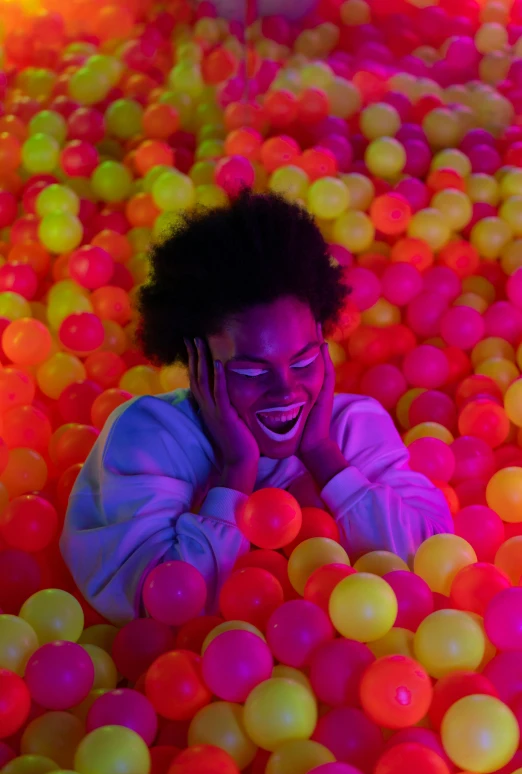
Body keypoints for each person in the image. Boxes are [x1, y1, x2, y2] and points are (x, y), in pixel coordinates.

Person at [60, 191, 453, 626]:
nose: (285, 389)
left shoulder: (354, 426)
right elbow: (157, 607)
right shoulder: (150, 435)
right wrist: (237, 471)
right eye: (251, 371)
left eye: (303, 361)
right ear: (196, 364)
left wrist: (325, 455)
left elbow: (433, 561)